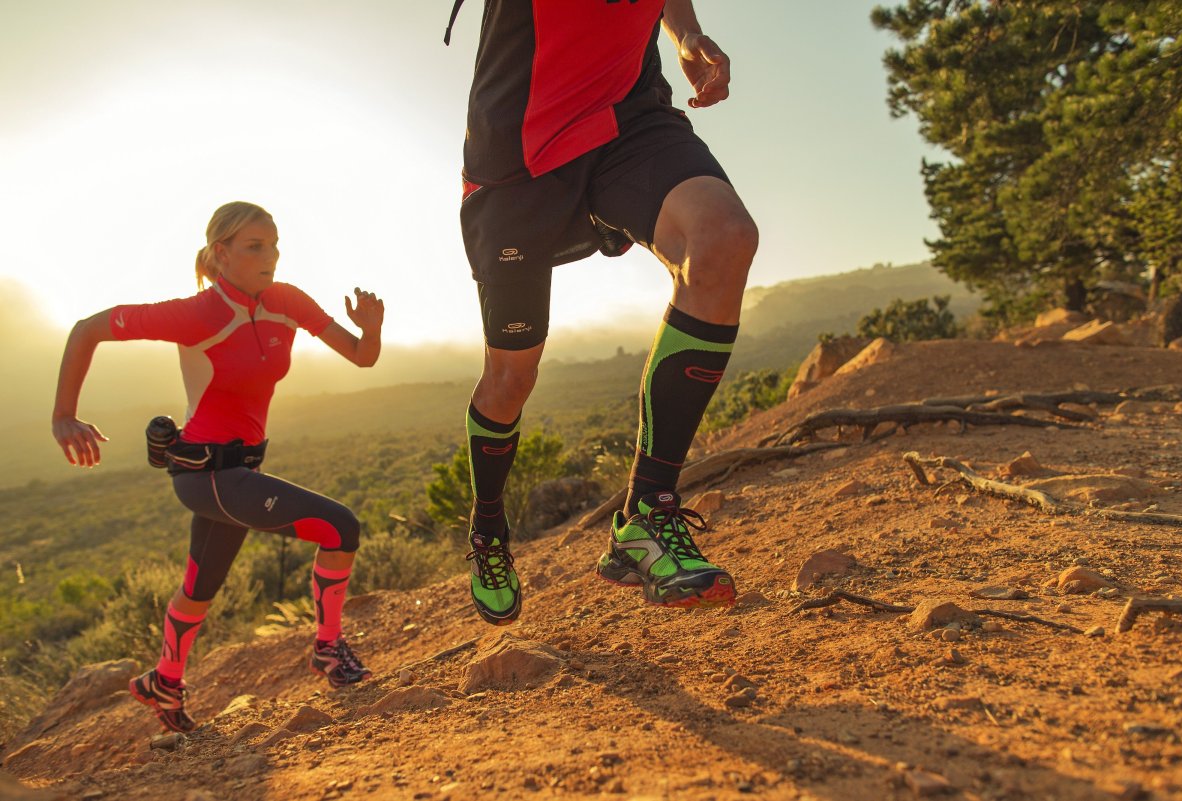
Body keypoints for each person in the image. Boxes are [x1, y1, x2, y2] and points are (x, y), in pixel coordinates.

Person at [448, 0, 758, 625]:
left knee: (722, 238)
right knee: (511, 377)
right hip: (519, 153)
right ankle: (487, 530)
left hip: (630, 120)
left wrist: (688, 33)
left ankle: (645, 516)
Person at [50, 202, 385, 732]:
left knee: (200, 587)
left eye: (274, 245)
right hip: (206, 475)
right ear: (220, 254)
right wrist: (64, 415)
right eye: (255, 246)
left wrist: (371, 329)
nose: (270, 256)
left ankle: (164, 679)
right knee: (341, 526)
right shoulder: (196, 313)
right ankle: (327, 648)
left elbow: (362, 357)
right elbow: (86, 329)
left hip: (240, 473)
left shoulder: (286, 300)